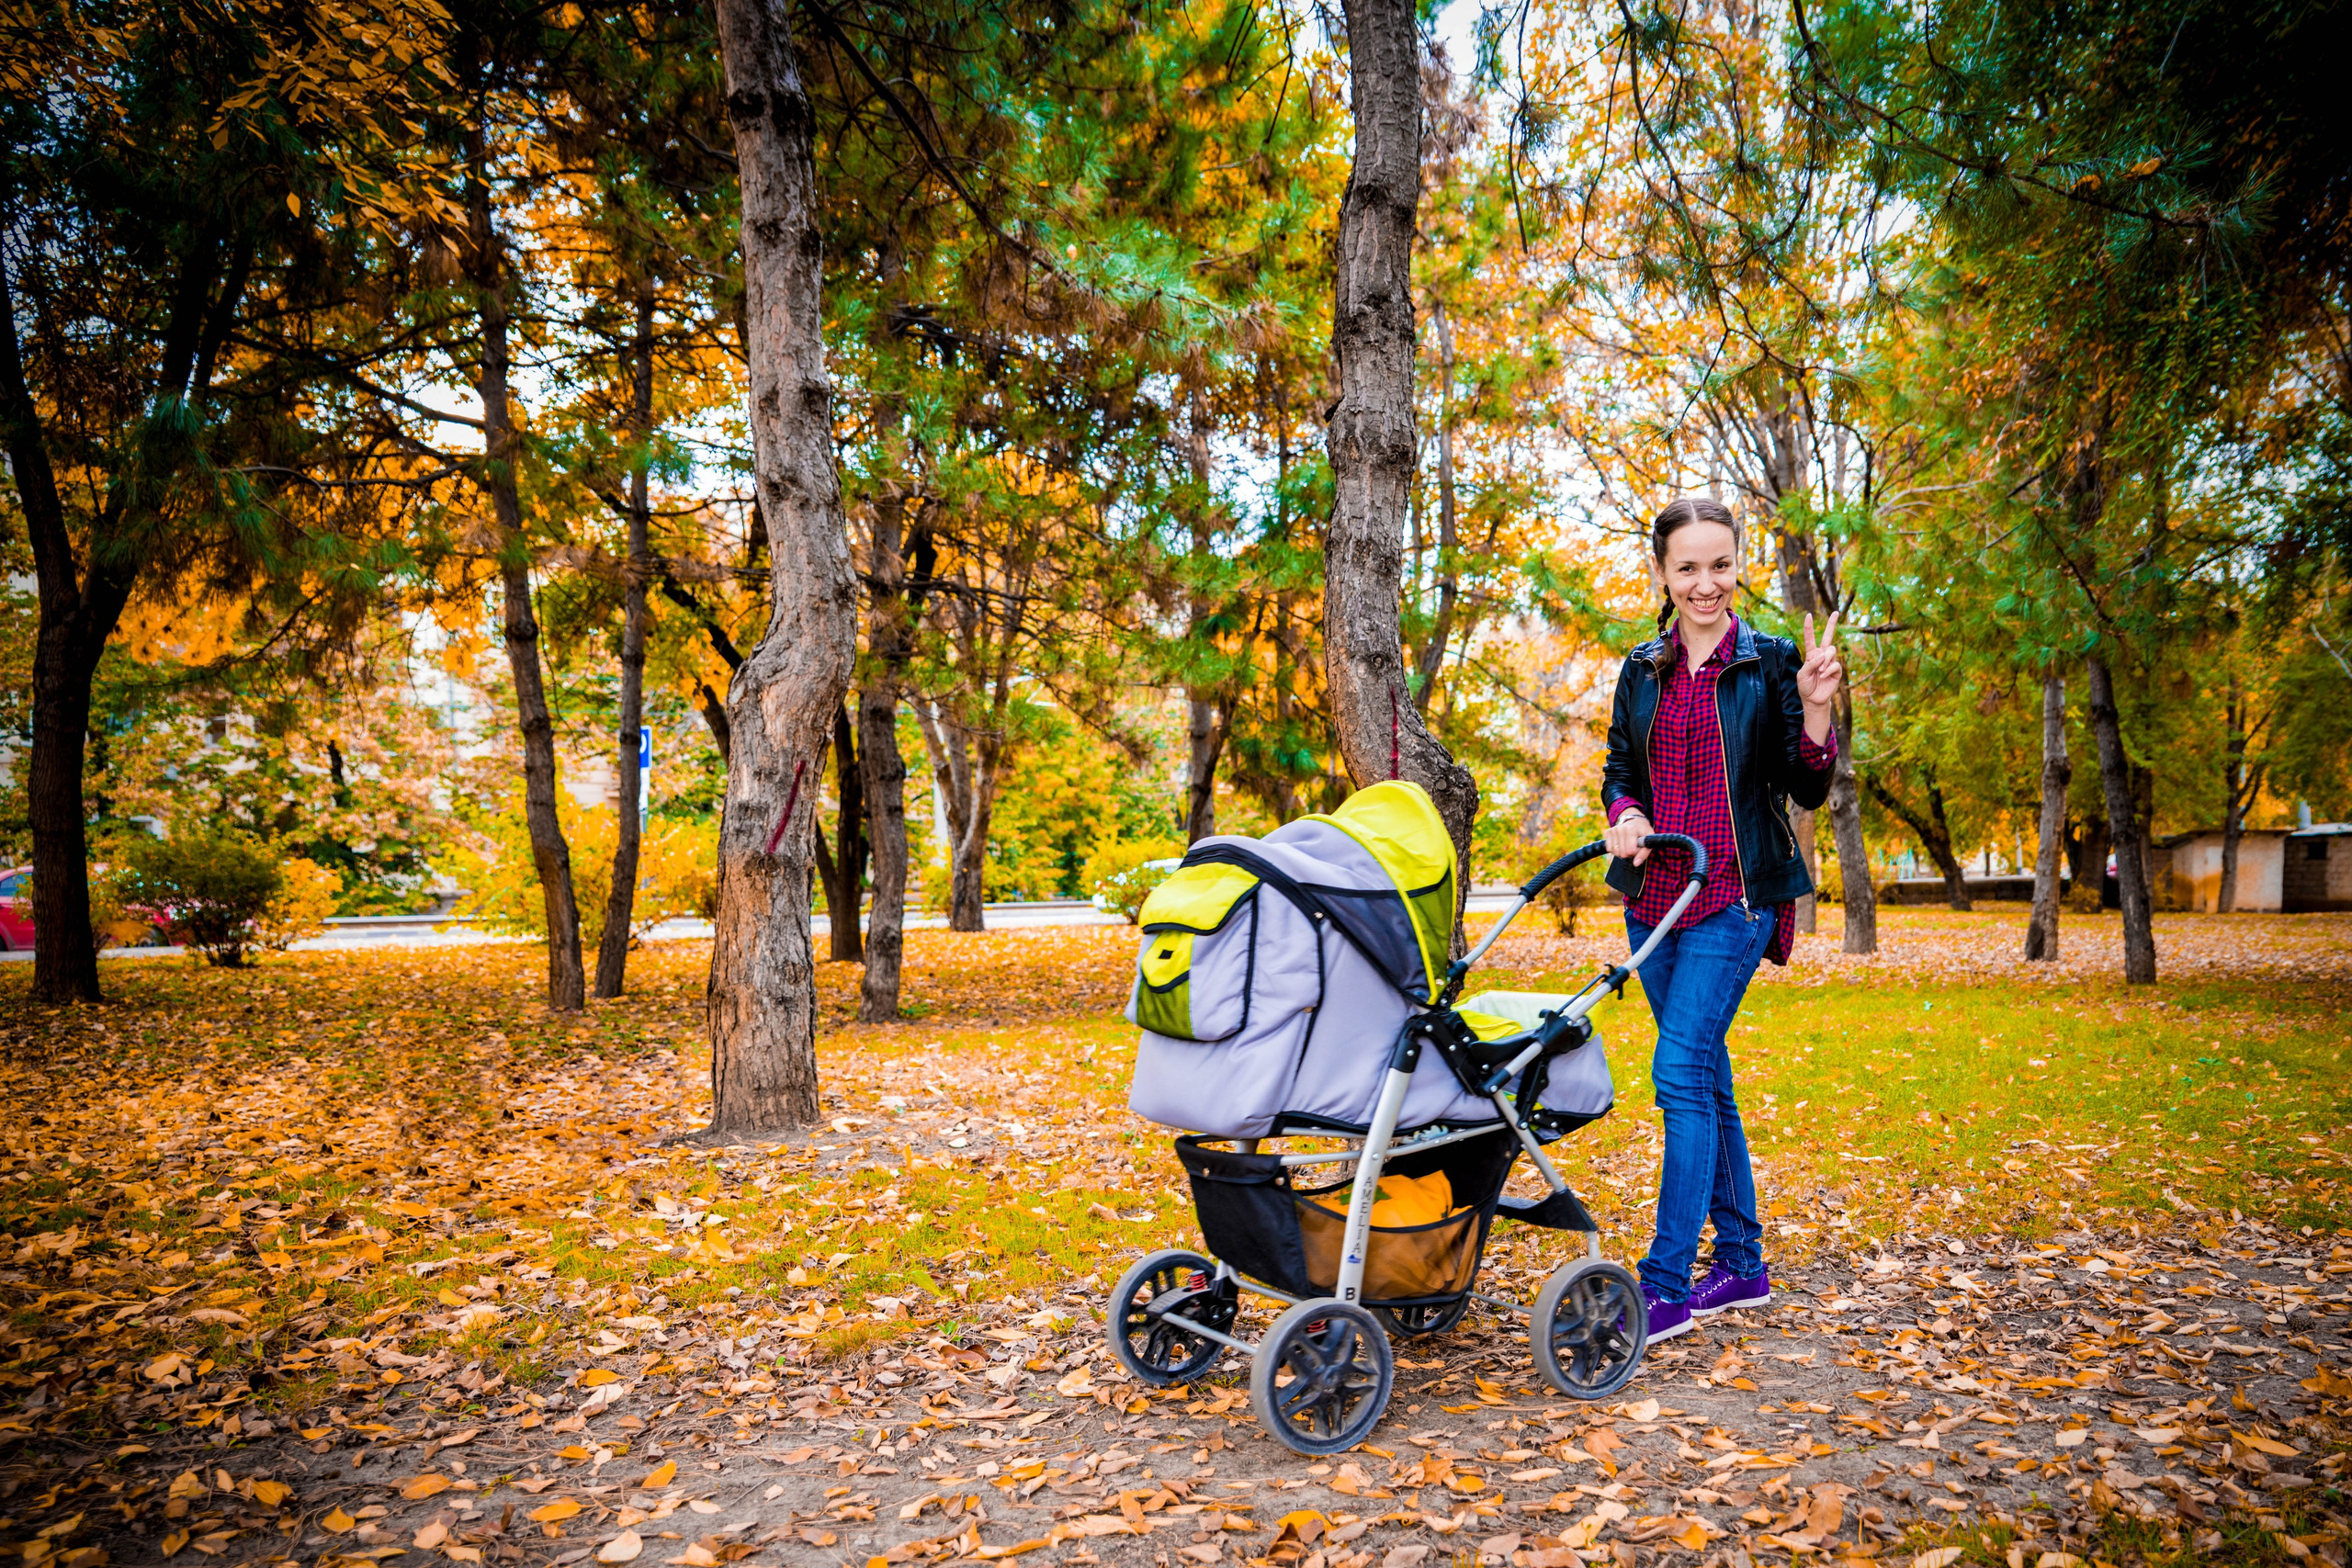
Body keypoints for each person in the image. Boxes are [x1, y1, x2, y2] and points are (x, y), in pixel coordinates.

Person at [1600, 496, 1843, 1342]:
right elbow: (1619, 768)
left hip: (1735, 897)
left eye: (1721, 564)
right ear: (1662, 573)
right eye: (1688, 567)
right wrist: (1626, 812)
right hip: (1654, 901)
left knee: (1678, 1074)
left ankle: (1663, 1284)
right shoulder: (1642, 667)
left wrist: (1816, 708)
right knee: (1706, 1078)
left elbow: (1807, 786)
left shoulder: (1772, 662)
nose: (1706, 583)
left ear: (1739, 566)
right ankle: (1742, 1263)